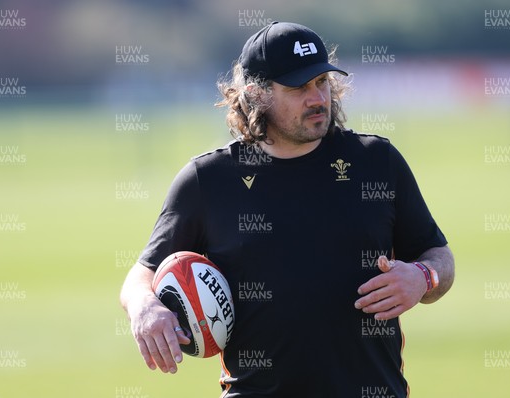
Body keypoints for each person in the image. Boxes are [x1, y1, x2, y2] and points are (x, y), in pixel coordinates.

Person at [120, 21, 454, 397]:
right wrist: (145, 307)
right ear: (256, 94)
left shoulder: (377, 162)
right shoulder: (208, 180)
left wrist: (424, 276)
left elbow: (439, 255)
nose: (318, 98)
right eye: (298, 88)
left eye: (322, 83)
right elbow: (141, 275)